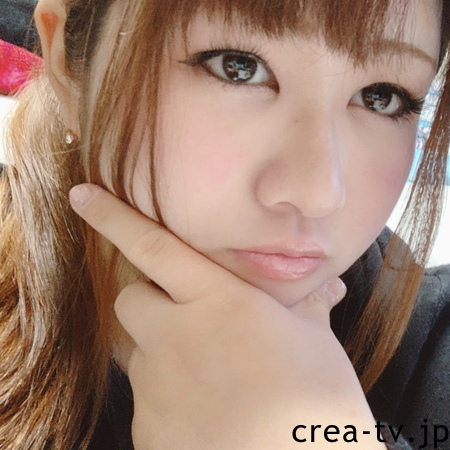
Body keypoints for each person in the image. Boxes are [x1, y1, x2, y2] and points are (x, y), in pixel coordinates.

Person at [0, 0, 449, 448]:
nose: (318, 195)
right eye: (238, 67)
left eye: (380, 97)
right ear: (66, 65)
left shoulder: (430, 350)